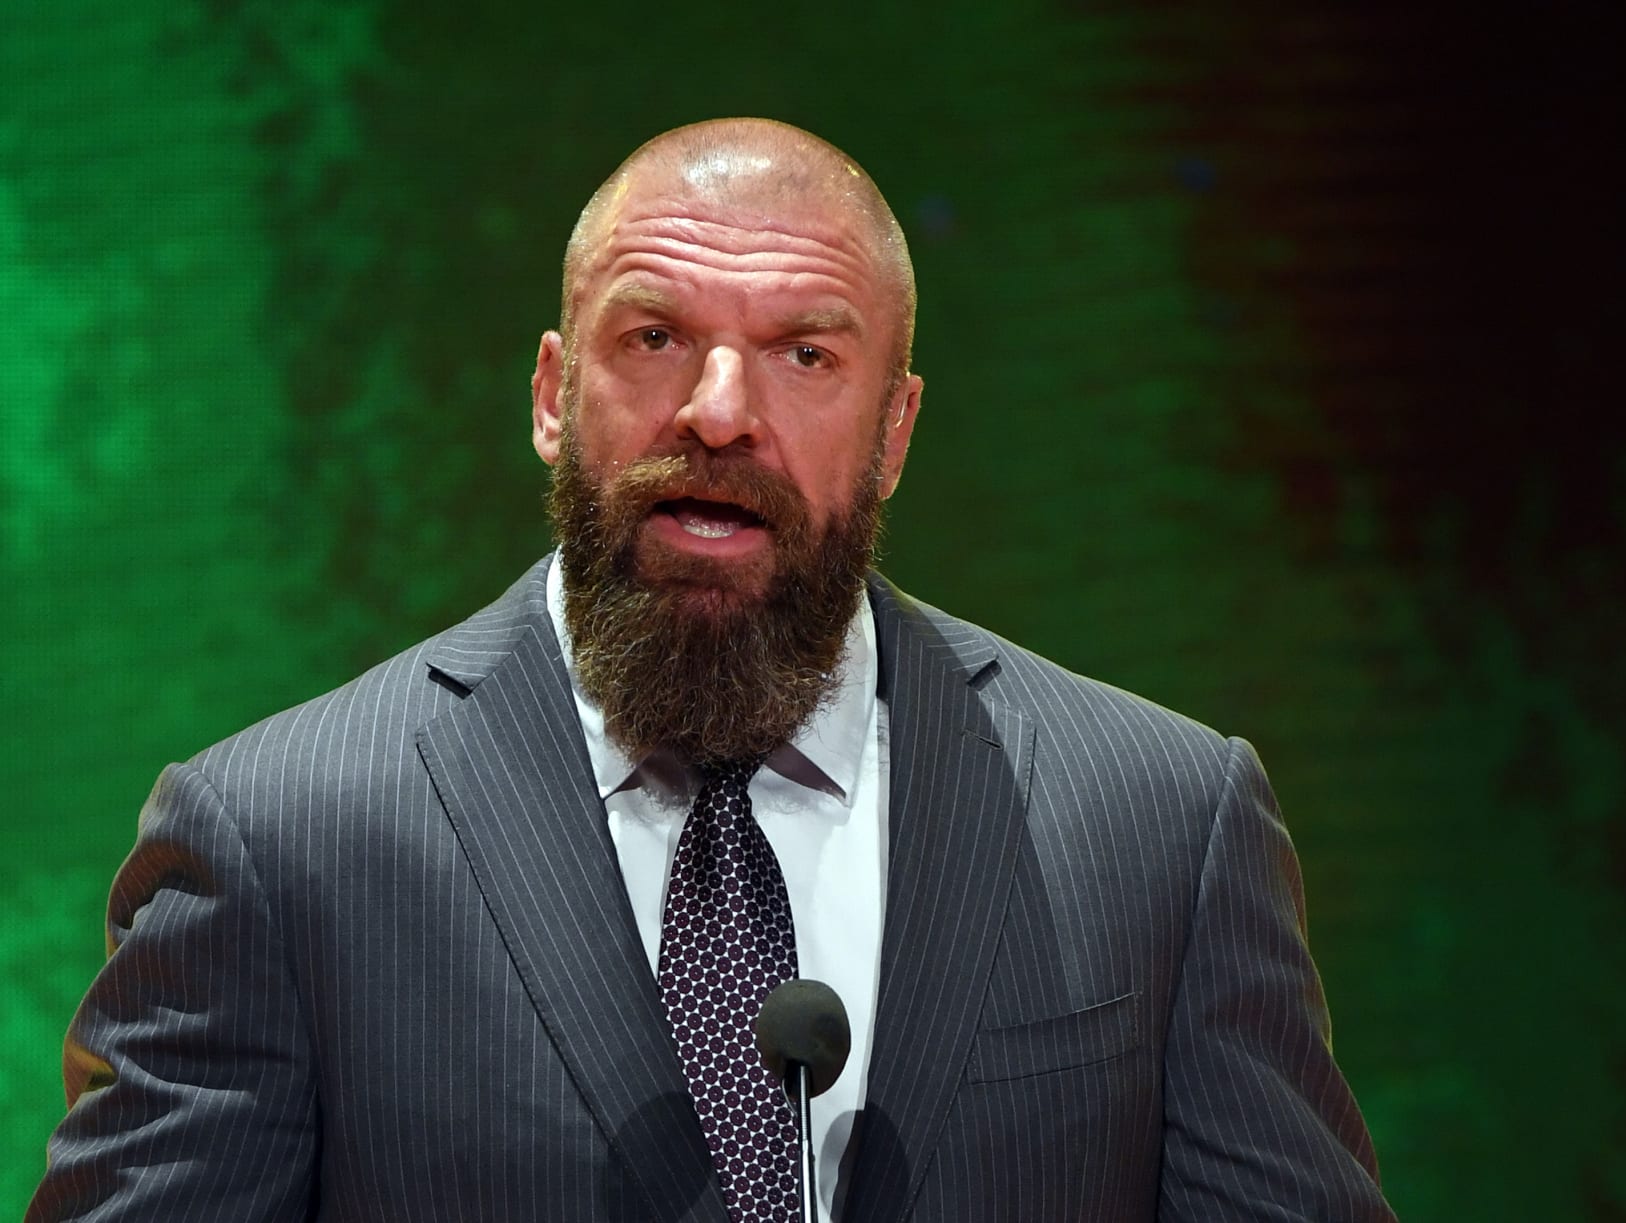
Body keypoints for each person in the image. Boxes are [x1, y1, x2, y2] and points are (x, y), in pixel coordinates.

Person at [29, 118, 1395, 1221]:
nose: (721, 412)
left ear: (896, 430)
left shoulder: (1162, 825)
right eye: (655, 339)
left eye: (806, 353)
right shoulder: (278, 842)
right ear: (553, 397)